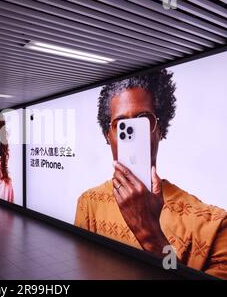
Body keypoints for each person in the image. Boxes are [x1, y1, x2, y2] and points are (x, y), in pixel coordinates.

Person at [74, 69, 227, 279]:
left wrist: (151, 234)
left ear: (160, 129)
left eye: (143, 120)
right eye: (122, 126)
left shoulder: (214, 225)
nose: (133, 134)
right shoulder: (88, 204)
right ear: (107, 136)